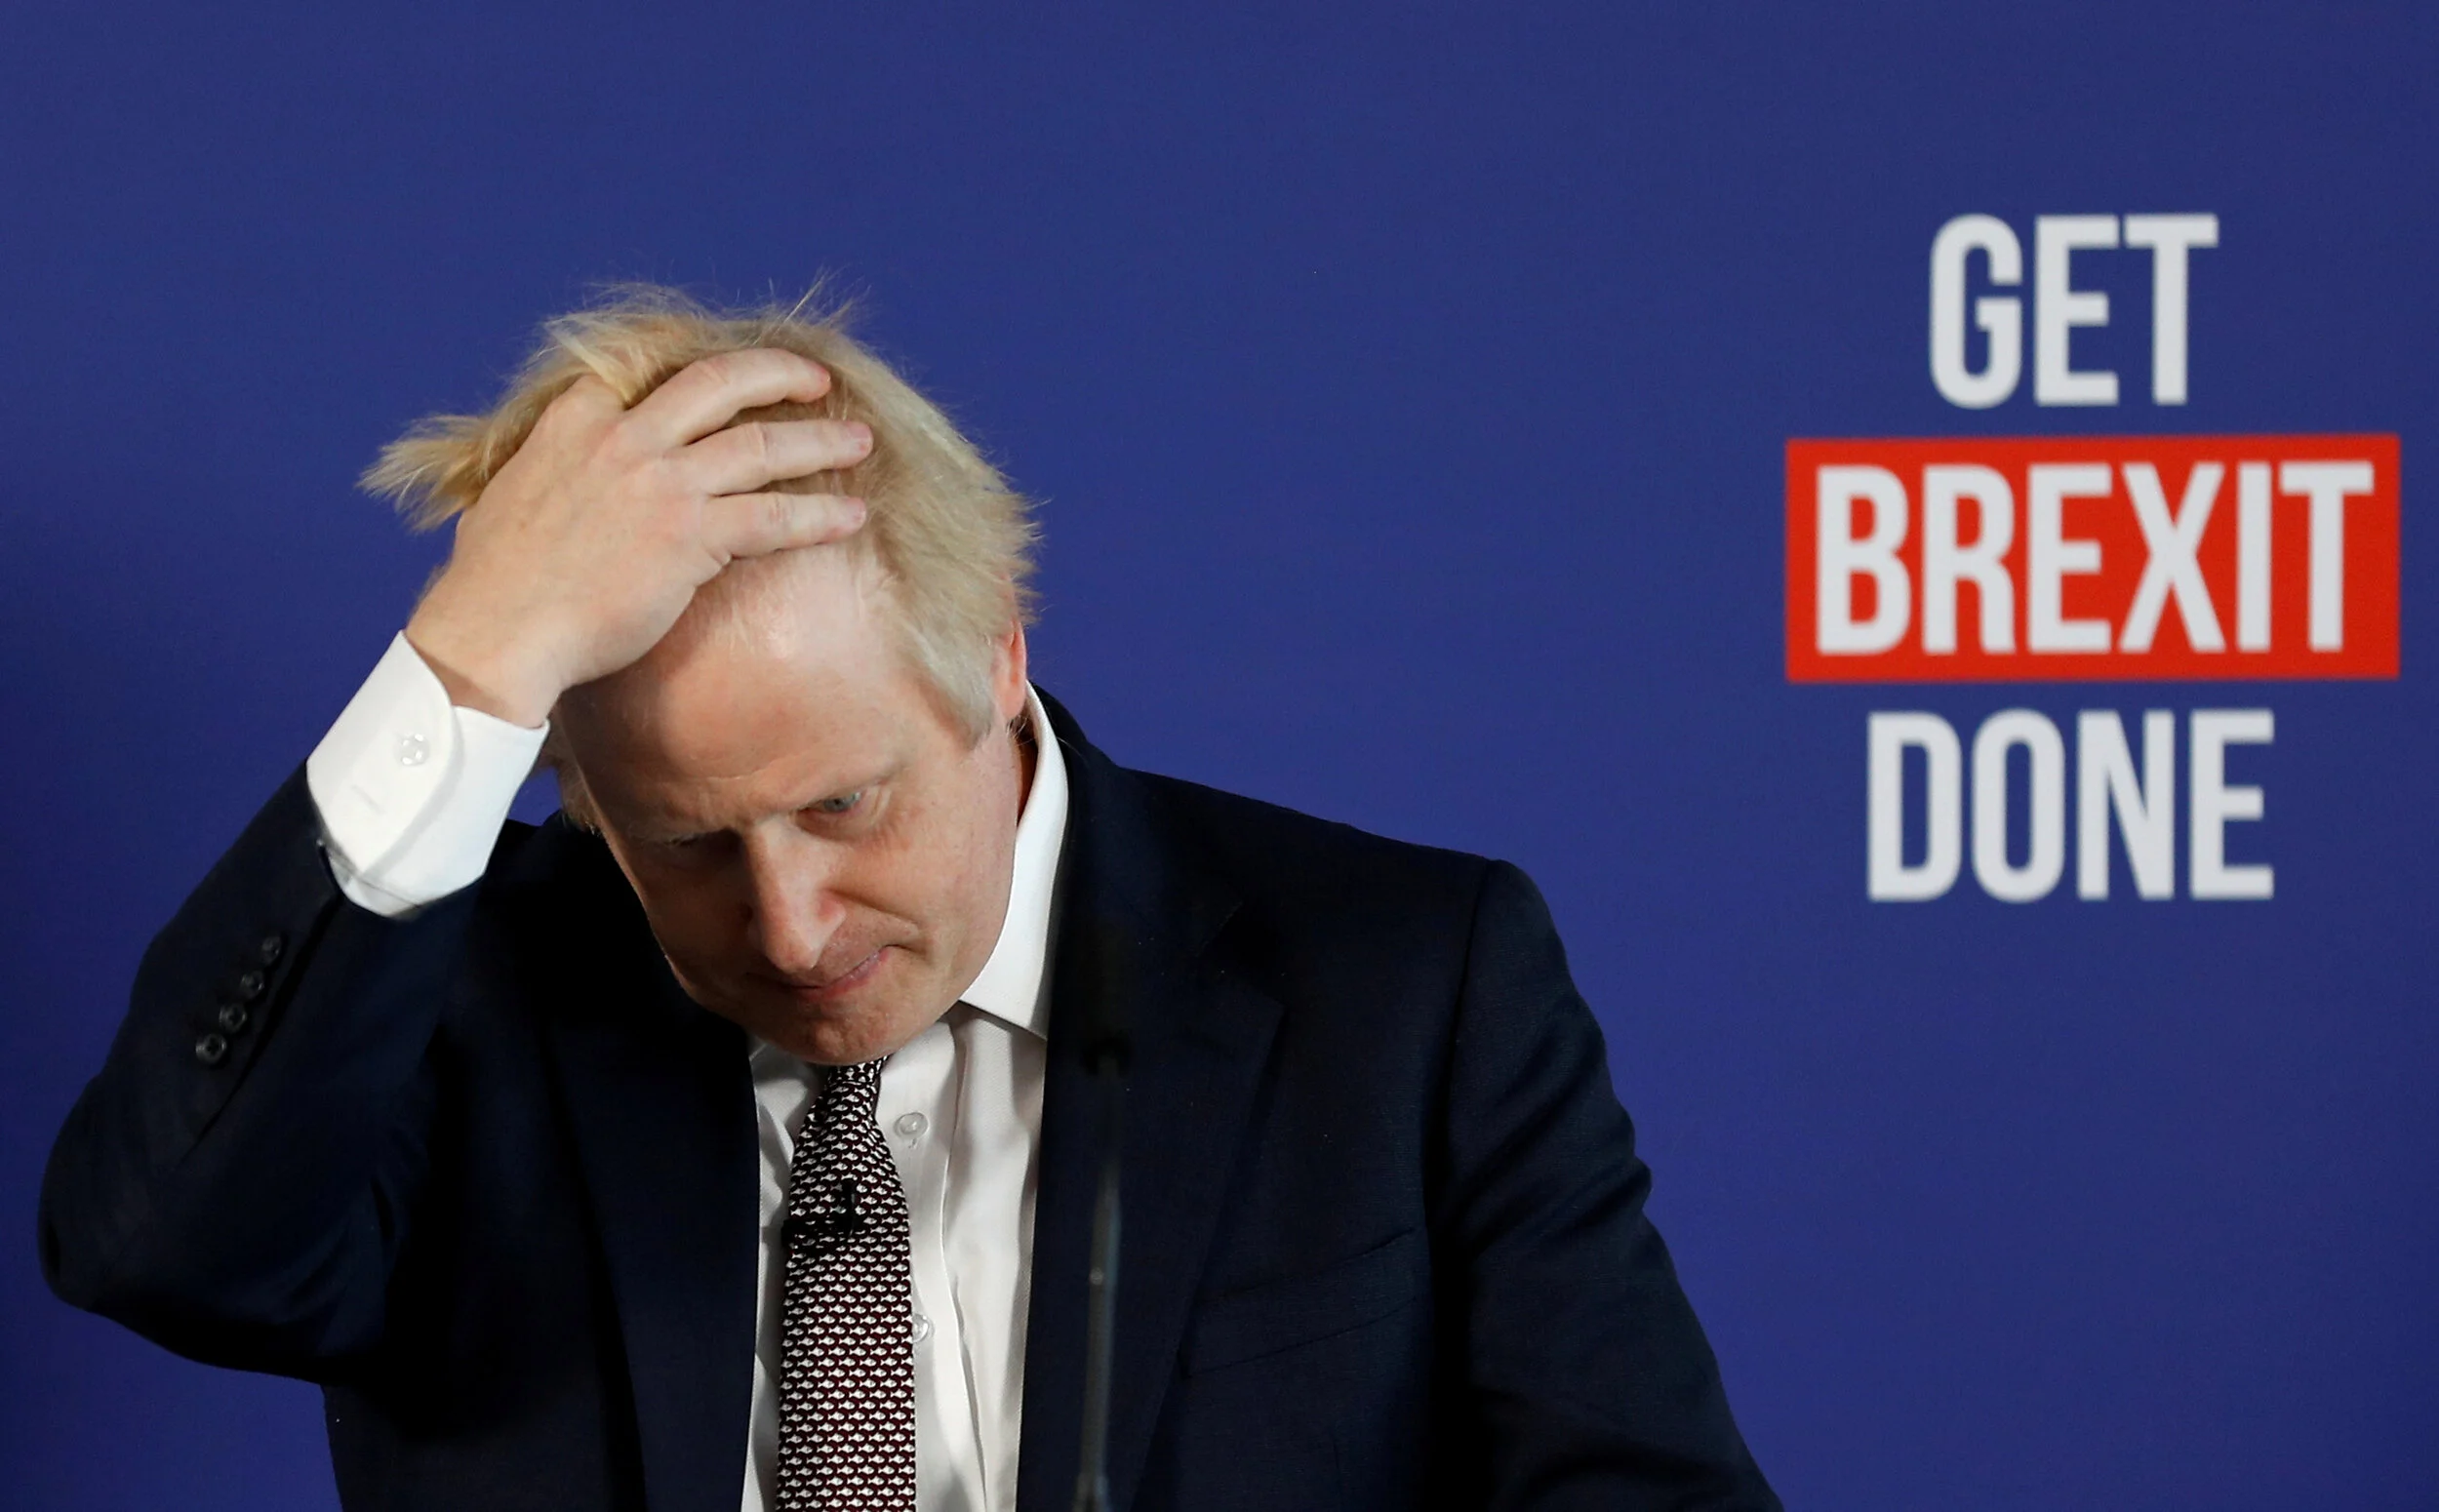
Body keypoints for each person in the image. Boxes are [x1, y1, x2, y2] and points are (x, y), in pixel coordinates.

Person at [38, 285, 1780, 1512]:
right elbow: (170, 1251)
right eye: (688, 843)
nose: (790, 928)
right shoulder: (450, 1004)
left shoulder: (1404, 988)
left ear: (999, 660)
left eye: (843, 802)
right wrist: (471, 661)